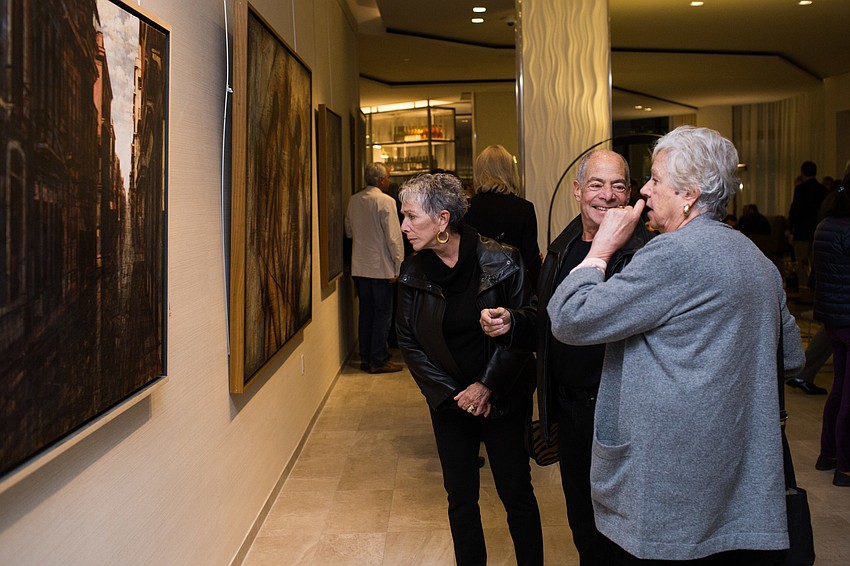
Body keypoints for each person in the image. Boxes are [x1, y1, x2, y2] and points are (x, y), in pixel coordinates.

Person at [546, 126, 805, 563]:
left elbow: (569, 317)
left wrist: (602, 250)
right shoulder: (756, 258)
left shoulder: (673, 255)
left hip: (671, 481)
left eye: (655, 179)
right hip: (732, 478)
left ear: (689, 192)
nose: (643, 189)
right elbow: (792, 356)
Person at [480, 149, 650, 564]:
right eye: (596, 184)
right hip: (570, 409)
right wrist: (515, 323)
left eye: (617, 185)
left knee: (625, 526)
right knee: (583, 519)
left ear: (629, 193)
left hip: (621, 412)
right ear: (577, 190)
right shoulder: (564, 245)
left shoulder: (645, 253)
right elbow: (548, 313)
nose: (607, 195)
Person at [395, 173, 543, 565]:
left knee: (517, 495)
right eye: (403, 216)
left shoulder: (504, 259)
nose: (404, 226)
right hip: (450, 405)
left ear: (443, 220)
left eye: (411, 216)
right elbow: (408, 341)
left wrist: (485, 386)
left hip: (503, 397)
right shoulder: (412, 272)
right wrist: (451, 395)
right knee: (461, 499)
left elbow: (526, 328)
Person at [344, 162, 405, 373]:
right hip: (381, 267)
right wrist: (399, 264)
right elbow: (394, 237)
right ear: (380, 180)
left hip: (360, 266)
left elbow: (349, 231)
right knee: (382, 314)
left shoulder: (354, 200)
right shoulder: (386, 201)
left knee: (366, 313)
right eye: (387, 177)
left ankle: (365, 356)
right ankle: (378, 359)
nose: (389, 180)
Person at [812, 180, 850, 486]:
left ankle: (829, 454)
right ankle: (846, 467)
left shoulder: (825, 226)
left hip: (834, 319)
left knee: (839, 388)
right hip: (847, 318)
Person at [464, 144, 542, 287]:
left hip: (476, 288)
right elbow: (531, 259)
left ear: (479, 172)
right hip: (513, 287)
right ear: (510, 171)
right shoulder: (524, 208)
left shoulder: (467, 208)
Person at [788, 161, 828, 291]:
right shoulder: (823, 190)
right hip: (818, 231)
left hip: (802, 231)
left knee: (801, 264)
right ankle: (815, 290)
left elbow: (796, 211)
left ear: (803, 172)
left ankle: (804, 289)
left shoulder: (800, 189)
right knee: (816, 264)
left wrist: (791, 230)